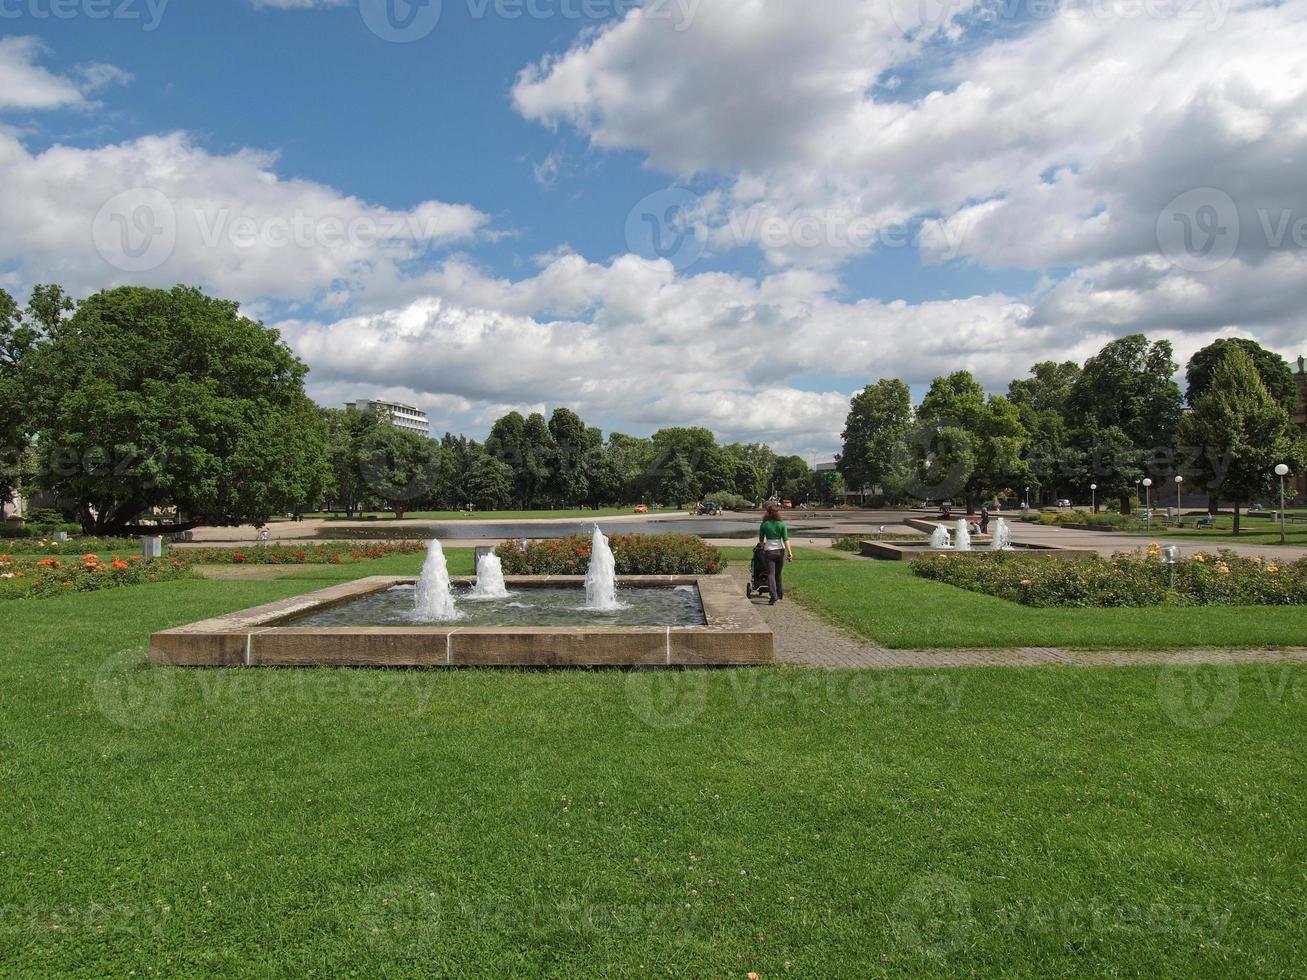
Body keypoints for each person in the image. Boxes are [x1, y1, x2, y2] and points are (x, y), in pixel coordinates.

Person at [758, 503, 794, 605]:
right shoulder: (782, 524)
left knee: (771, 574)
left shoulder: (764, 524)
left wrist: (763, 546)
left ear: (767, 513)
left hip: (769, 551)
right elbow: (786, 540)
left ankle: (773, 596)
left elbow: (761, 540)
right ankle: (780, 593)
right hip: (780, 551)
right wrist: (790, 553)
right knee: (778, 574)